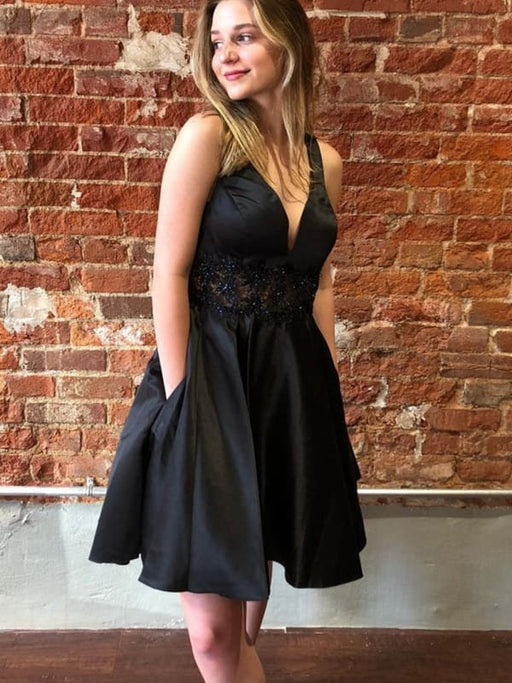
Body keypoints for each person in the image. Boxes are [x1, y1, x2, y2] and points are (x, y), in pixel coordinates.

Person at [89, 0, 366, 680]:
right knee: (214, 635)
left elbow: (319, 283)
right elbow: (168, 271)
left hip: (289, 385)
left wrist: (323, 389)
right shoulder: (207, 136)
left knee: (246, 618)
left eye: (244, 36)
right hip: (211, 378)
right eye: (217, 42)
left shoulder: (324, 161)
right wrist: (183, 396)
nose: (226, 56)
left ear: (289, 44)